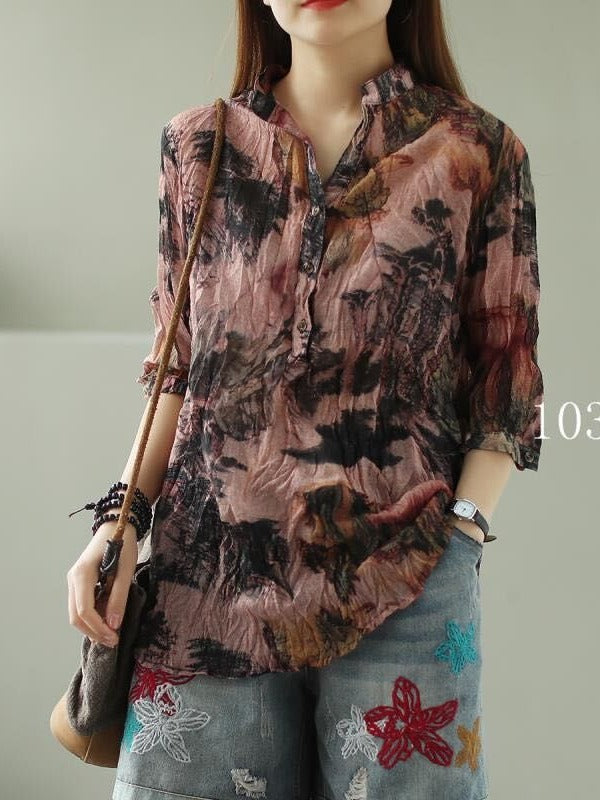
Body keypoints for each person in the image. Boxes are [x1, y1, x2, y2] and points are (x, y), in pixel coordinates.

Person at [67, 1, 544, 798]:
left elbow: (508, 375)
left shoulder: (476, 150)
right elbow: (179, 372)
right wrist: (118, 526)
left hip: (406, 581)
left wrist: (462, 533)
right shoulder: (199, 144)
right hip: (206, 582)